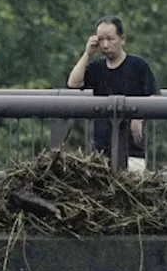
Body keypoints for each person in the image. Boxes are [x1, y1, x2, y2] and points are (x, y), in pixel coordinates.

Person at [66, 15, 161, 171]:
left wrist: (139, 116)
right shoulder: (97, 68)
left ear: (122, 39)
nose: (105, 45)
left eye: (110, 39)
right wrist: (87, 54)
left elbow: (156, 97)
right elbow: (73, 84)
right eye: (101, 40)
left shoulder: (138, 66)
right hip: (101, 149)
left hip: (132, 149)